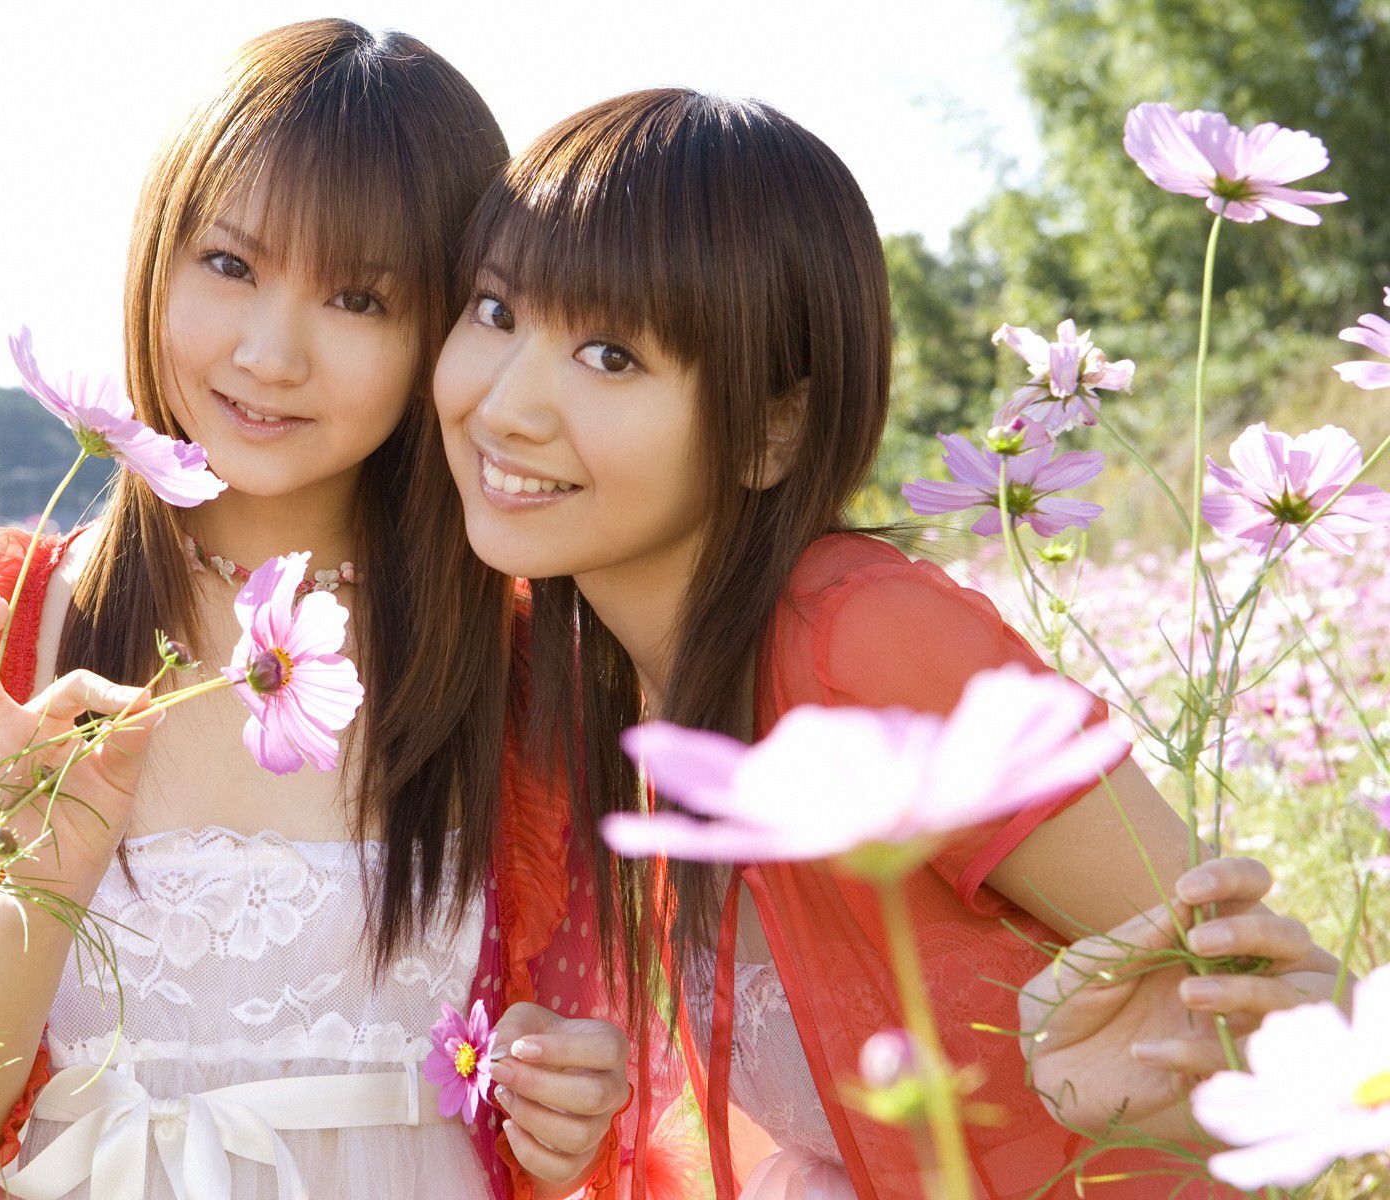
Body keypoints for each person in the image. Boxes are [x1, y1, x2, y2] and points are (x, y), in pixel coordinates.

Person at [431, 88, 1340, 1199]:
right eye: (493, 311)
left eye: (612, 354)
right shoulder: (623, 693)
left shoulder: (863, 640)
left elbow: (1276, 1006)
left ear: (773, 427)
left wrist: (1128, 1087)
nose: (507, 405)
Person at [0, 23, 644, 1200]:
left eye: (358, 297)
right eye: (230, 264)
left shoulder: (527, 673)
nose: (269, 352)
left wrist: (567, 1115)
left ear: (455, 327)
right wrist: (47, 882)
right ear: (156, 253)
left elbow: (568, 1123)